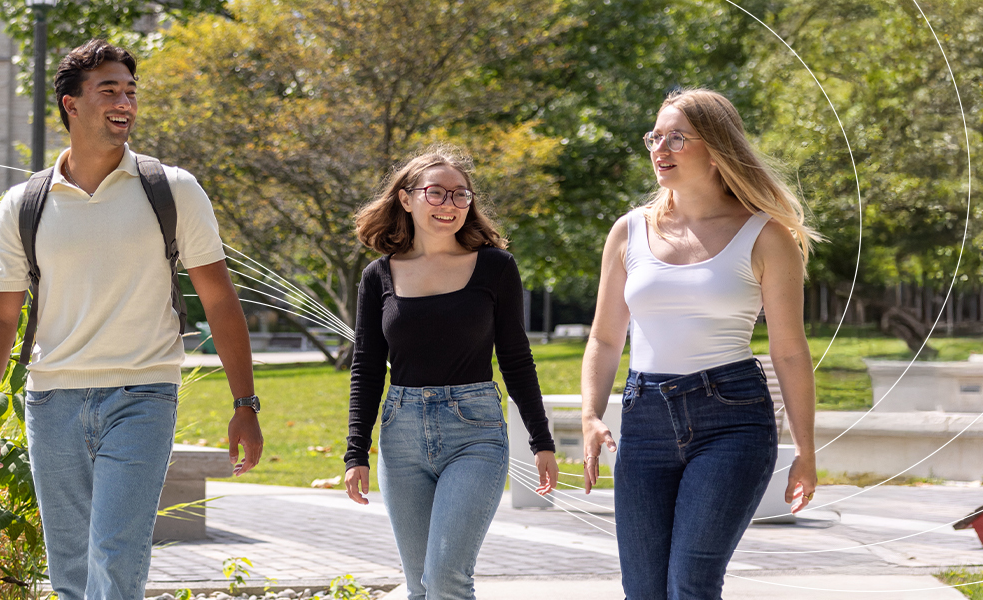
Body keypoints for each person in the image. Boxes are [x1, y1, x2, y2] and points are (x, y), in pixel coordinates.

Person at [0, 39, 265, 600]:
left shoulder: (171, 189)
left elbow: (220, 301)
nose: (125, 101)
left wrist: (244, 404)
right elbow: (0, 315)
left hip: (143, 394)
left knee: (116, 556)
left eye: (130, 91)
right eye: (109, 91)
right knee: (71, 570)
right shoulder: (23, 203)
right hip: (52, 400)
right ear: (70, 104)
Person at [578, 88, 821, 599]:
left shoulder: (766, 237)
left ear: (715, 148)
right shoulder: (628, 232)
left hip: (731, 418)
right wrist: (590, 414)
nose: (659, 149)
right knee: (643, 590)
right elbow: (604, 337)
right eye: (655, 136)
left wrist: (805, 448)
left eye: (676, 138)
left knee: (691, 583)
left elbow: (790, 351)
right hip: (643, 419)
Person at [339, 148, 558, 600]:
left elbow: (516, 358)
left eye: (460, 195)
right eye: (435, 193)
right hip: (400, 435)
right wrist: (355, 452)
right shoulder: (378, 276)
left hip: (474, 432)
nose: (449, 204)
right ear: (405, 199)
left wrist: (542, 441)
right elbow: (365, 369)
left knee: (446, 580)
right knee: (419, 587)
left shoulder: (495, 267)